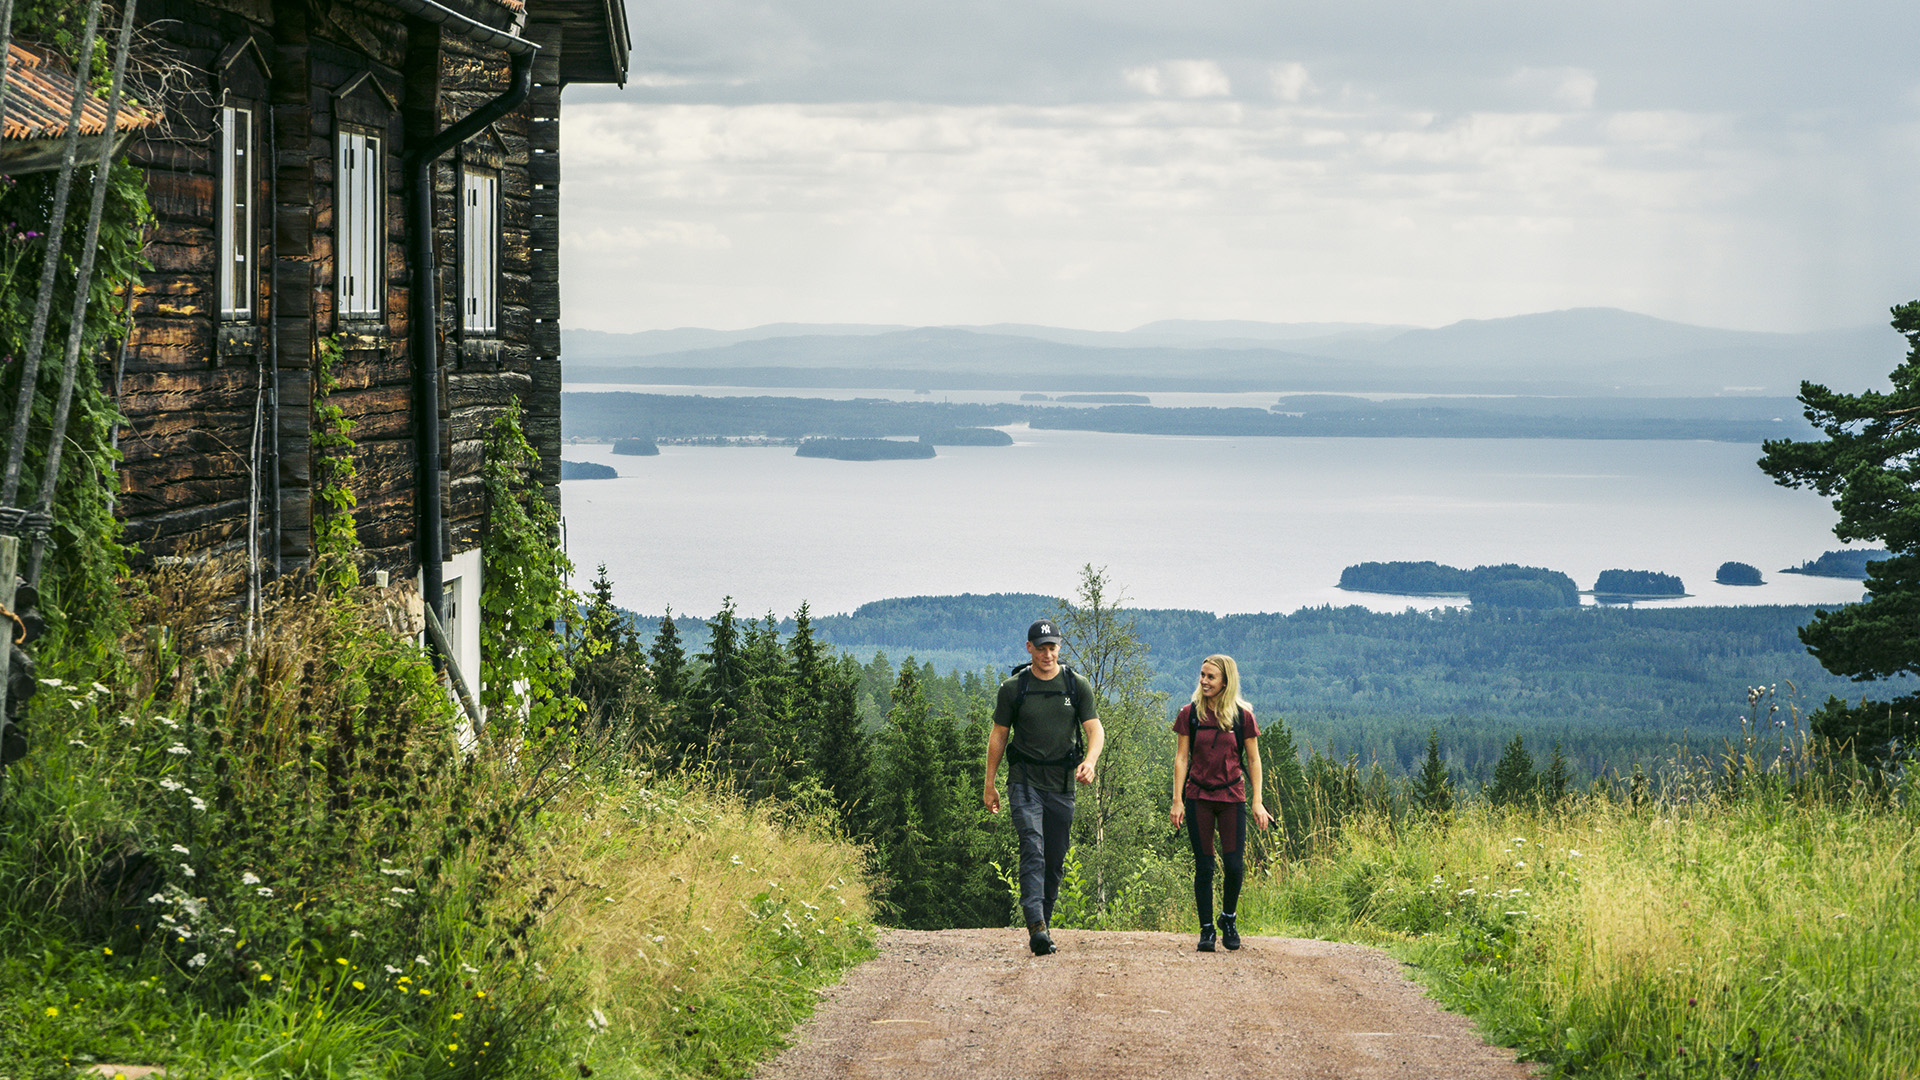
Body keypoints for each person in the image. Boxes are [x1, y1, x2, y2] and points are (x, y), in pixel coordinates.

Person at [983, 618, 1104, 956]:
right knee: (1033, 847)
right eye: (1041, 647)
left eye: (1052, 647)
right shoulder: (1013, 689)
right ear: (1029, 649)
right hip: (1024, 780)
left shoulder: (1075, 686)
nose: (1047, 653)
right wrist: (989, 783)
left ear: (1059, 647)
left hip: (1062, 783)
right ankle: (1035, 923)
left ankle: (1043, 926)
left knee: (1054, 859)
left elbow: (1095, 730)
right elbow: (999, 736)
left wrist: (1090, 761)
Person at [1170, 653, 1272, 952]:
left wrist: (1258, 801)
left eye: (1210, 677)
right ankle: (1206, 930)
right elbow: (1181, 758)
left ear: (1226, 681)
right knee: (1204, 866)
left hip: (1231, 797)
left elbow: (1253, 760)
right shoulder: (1189, 713)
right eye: (1202, 675)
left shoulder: (1242, 717)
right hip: (1198, 796)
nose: (1204, 681)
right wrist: (1177, 801)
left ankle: (1228, 918)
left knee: (1234, 865)